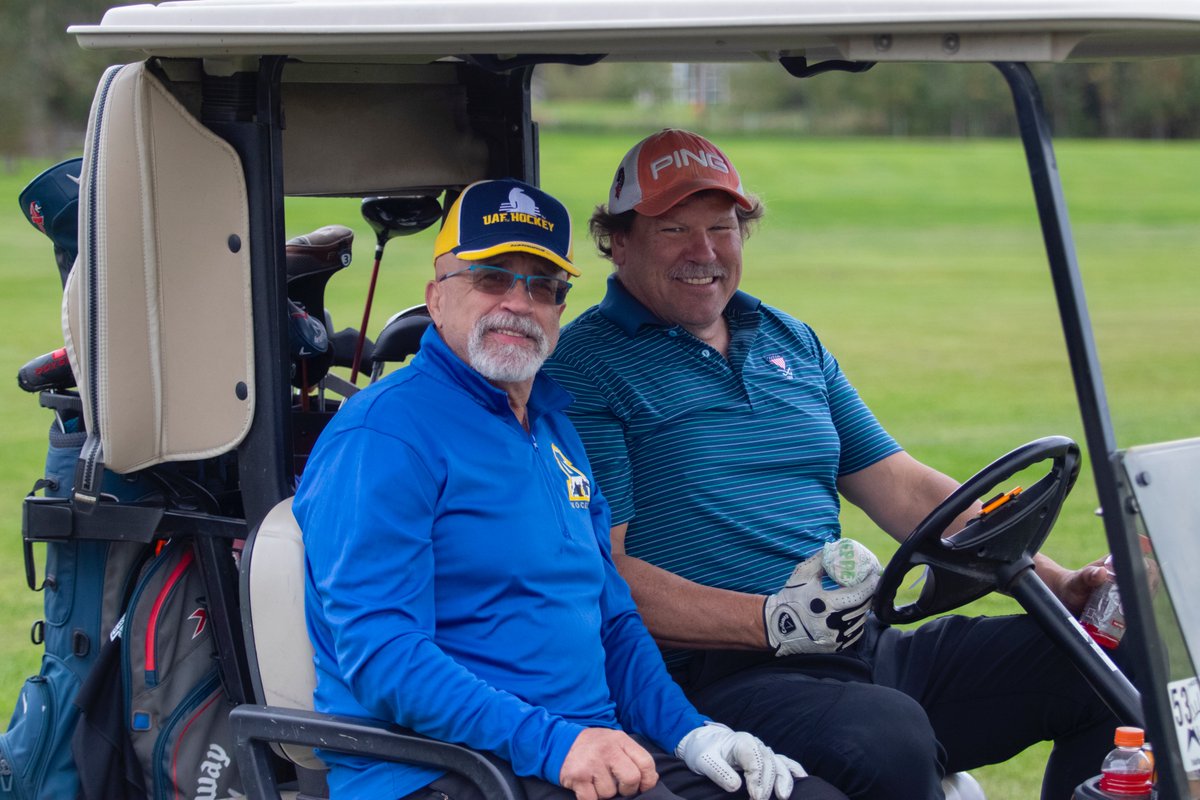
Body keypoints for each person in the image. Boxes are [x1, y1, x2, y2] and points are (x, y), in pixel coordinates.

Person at [542, 130, 1120, 800]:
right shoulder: (586, 368)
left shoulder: (789, 339)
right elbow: (606, 572)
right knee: (886, 735)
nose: (704, 252)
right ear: (619, 241)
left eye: (721, 227)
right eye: (674, 229)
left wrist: (1058, 585)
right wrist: (771, 620)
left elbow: (903, 487)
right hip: (715, 675)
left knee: (1103, 664)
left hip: (852, 646)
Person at [294, 178, 848, 800]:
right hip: (450, 770)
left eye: (543, 286)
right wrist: (557, 744)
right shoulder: (384, 435)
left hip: (585, 750)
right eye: (492, 278)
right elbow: (383, 654)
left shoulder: (552, 426)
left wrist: (692, 732)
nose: (518, 303)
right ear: (437, 297)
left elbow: (612, 620)